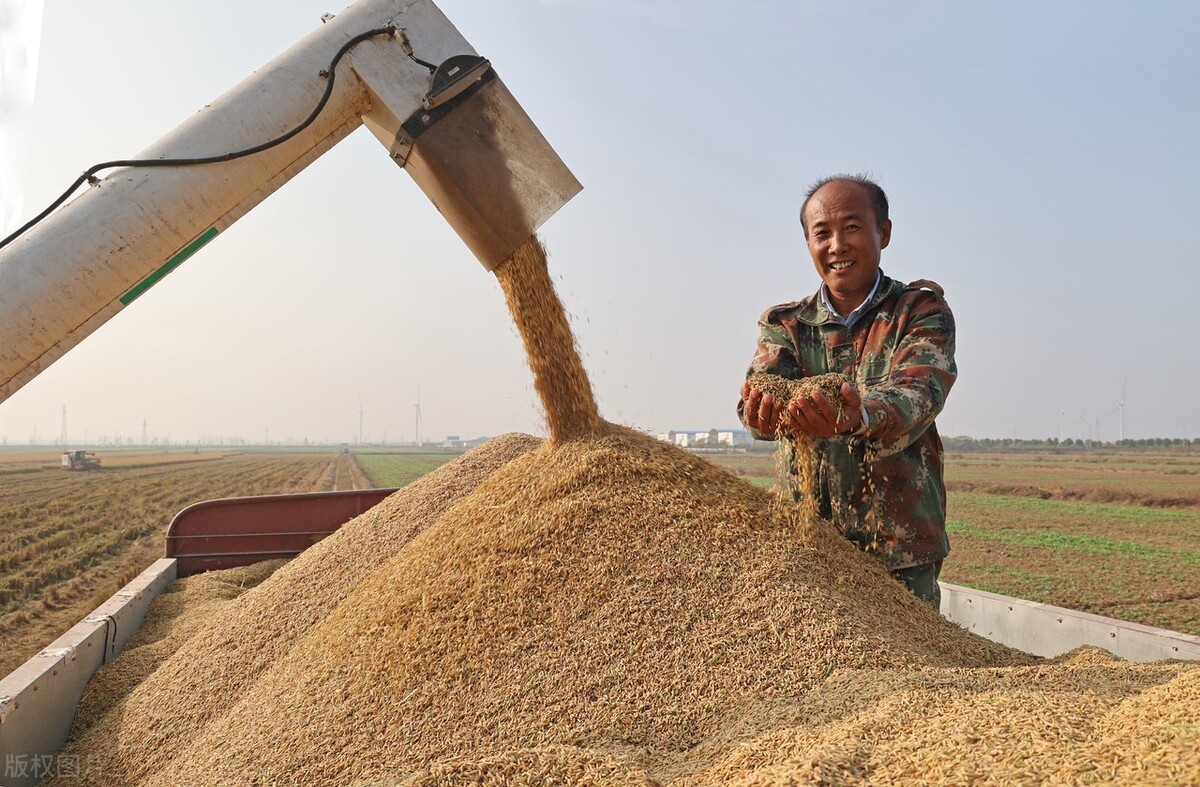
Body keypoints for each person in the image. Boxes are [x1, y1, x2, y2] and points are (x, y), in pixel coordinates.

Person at [737, 174, 956, 605]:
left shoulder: (920, 310)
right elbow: (758, 393)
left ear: (884, 233)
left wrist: (859, 415)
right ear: (809, 244)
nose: (837, 245)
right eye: (822, 233)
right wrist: (759, 414)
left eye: (852, 228)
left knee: (905, 667)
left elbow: (919, 392)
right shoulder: (785, 324)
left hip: (898, 549)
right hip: (807, 545)